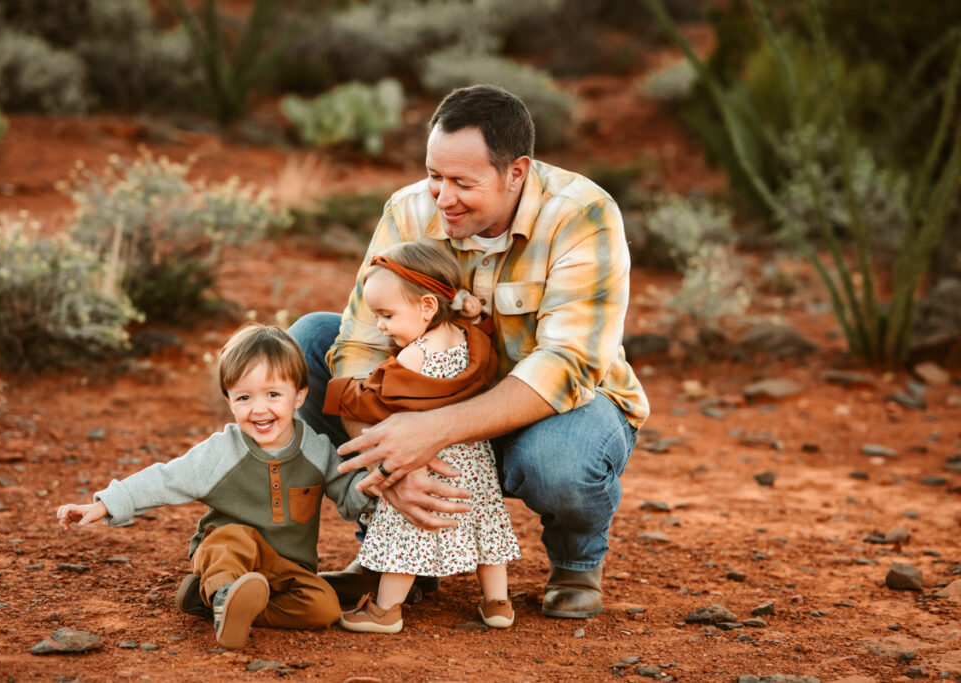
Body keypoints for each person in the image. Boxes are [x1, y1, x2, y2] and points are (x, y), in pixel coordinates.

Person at [289, 84, 649, 620]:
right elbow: (363, 341)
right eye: (435, 175)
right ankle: (394, 545)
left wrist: (432, 432)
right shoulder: (410, 209)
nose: (442, 197)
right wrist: (393, 464)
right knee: (312, 341)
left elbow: (567, 366)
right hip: (429, 402)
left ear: (516, 172)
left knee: (561, 461)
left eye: (463, 182)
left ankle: (576, 560)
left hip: (547, 413)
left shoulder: (582, 214)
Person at [55, 323, 376, 649]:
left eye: (273, 394)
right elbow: (167, 478)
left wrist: (372, 486)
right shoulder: (223, 451)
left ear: (300, 395)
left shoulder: (317, 450)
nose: (259, 408)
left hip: (285, 570)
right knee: (233, 536)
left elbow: (348, 493)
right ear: (229, 400)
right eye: (244, 397)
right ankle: (223, 593)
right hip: (227, 557)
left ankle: (215, 602)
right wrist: (105, 504)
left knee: (324, 606)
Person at [323, 241, 521, 633]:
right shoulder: (471, 340)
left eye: (387, 315)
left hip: (428, 458)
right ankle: (497, 603)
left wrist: (341, 391)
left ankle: (385, 611)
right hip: (473, 458)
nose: (380, 325)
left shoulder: (414, 356)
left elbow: (376, 399)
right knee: (483, 523)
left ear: (427, 306)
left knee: (409, 527)